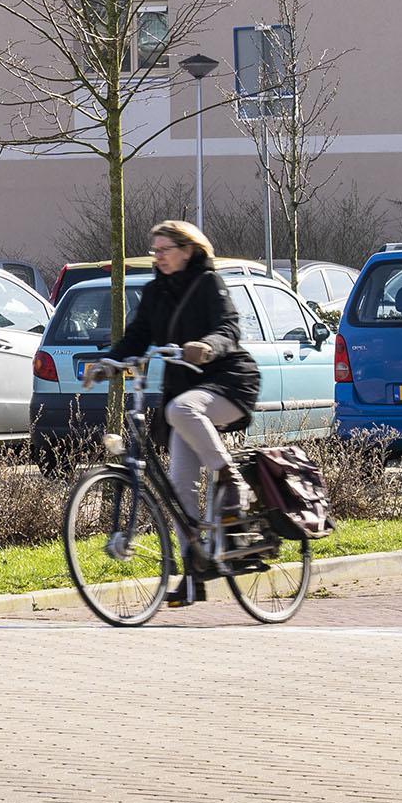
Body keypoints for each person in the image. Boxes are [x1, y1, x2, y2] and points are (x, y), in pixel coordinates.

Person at [105, 219, 259, 606]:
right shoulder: (155, 291)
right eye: (154, 251)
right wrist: (109, 361)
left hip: (228, 382)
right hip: (184, 396)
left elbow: (229, 328)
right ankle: (194, 577)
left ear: (187, 250)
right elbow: (137, 335)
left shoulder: (208, 283)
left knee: (179, 408)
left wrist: (207, 346)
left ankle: (231, 478)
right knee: (180, 490)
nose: (157, 257)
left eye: (164, 250)